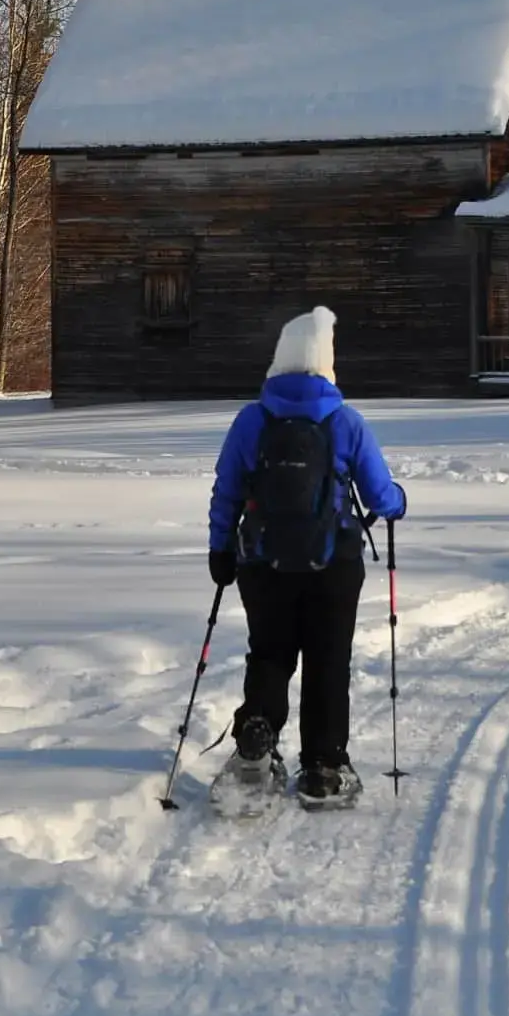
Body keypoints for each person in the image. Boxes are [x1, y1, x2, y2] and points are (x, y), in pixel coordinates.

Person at [207, 306, 406, 807]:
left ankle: (256, 740)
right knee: (327, 659)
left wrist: (220, 548)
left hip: (263, 563)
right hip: (333, 564)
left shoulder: (252, 420)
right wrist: (399, 501)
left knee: (270, 651)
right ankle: (324, 765)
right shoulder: (345, 422)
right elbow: (382, 497)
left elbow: (227, 491)